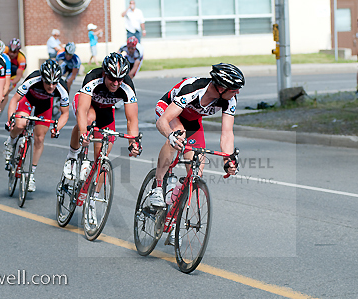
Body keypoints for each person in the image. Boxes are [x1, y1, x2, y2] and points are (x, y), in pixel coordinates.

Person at [148, 63, 244, 245]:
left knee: (196, 173)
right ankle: (157, 186)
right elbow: (163, 121)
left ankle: (173, 219)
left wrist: (228, 158)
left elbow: (227, 133)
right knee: (179, 135)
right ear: (222, 88)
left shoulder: (229, 99)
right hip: (168, 110)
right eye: (235, 89)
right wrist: (170, 135)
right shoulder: (193, 89)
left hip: (193, 120)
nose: (237, 93)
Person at [62, 53, 141, 205]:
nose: (116, 83)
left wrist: (133, 143)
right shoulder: (93, 77)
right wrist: (84, 134)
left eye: (120, 79)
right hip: (88, 106)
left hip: (106, 111)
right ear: (105, 73)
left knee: (102, 157)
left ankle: (93, 199)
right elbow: (82, 111)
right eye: (112, 78)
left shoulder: (127, 86)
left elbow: (132, 119)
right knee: (89, 119)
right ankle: (73, 155)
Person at [5, 59, 69, 192]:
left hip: (44, 105)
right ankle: (11, 141)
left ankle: (31, 174)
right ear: (42, 78)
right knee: (21, 124)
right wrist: (10, 118)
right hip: (27, 99)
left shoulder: (62, 87)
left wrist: (57, 128)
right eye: (48, 82)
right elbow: (14, 100)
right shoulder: (33, 79)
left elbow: (65, 113)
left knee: (39, 138)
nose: (51, 86)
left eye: (54, 83)